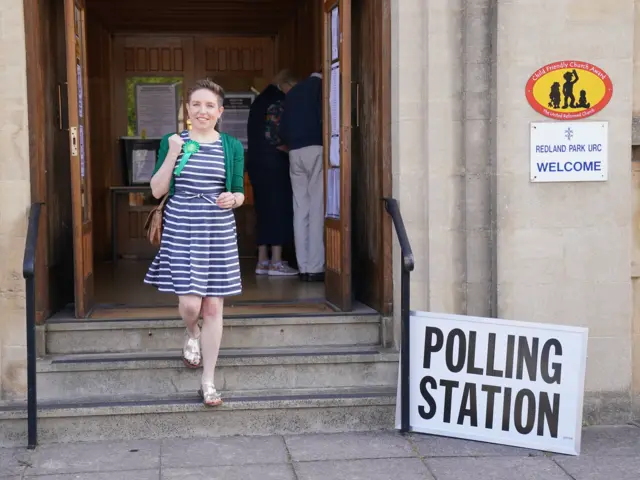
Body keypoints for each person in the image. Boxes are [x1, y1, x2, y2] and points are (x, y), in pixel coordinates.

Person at [144, 78, 245, 407]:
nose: (203, 110)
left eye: (210, 106)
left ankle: (208, 380)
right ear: (188, 109)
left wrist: (234, 197)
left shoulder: (230, 146)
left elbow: (239, 190)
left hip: (217, 228)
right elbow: (157, 190)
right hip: (182, 227)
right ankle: (192, 334)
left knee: (213, 306)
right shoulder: (172, 142)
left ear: (220, 112)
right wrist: (173, 153)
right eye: (197, 104)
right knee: (191, 305)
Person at [246, 69, 298, 276]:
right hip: (274, 164)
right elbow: (273, 134)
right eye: (293, 88)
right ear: (286, 84)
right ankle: (276, 261)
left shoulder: (259, 100)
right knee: (277, 208)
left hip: (257, 163)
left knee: (263, 209)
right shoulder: (276, 101)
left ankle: (262, 261)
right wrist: (288, 148)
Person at [279, 69, 325, 282]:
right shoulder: (322, 88)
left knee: (300, 208)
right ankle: (315, 267)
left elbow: (282, 129)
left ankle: (303, 265)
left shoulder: (294, 92)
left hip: (295, 152)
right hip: (316, 148)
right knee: (317, 207)